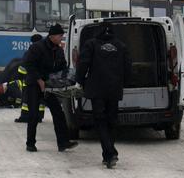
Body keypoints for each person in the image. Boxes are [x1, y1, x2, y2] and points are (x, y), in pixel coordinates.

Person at [76, 25, 132, 169]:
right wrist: (123, 83)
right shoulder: (121, 46)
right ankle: (108, 155)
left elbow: (83, 64)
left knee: (100, 121)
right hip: (114, 89)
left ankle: (110, 153)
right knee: (111, 121)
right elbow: (128, 67)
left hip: (97, 89)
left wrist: (80, 80)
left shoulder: (91, 44)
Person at [24, 23, 77, 152]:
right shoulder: (37, 47)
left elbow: (62, 67)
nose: (61, 38)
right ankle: (30, 143)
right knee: (33, 114)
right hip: (34, 85)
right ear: (52, 36)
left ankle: (63, 142)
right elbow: (28, 64)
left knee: (58, 113)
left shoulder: (58, 50)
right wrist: (39, 79)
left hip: (50, 86)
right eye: (60, 36)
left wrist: (65, 79)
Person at [15, 33, 45, 123]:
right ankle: (39, 117)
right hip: (42, 81)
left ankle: (24, 116)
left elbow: (23, 68)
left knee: (26, 100)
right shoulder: (46, 51)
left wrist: (20, 76)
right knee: (40, 100)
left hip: (29, 80)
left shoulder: (29, 52)